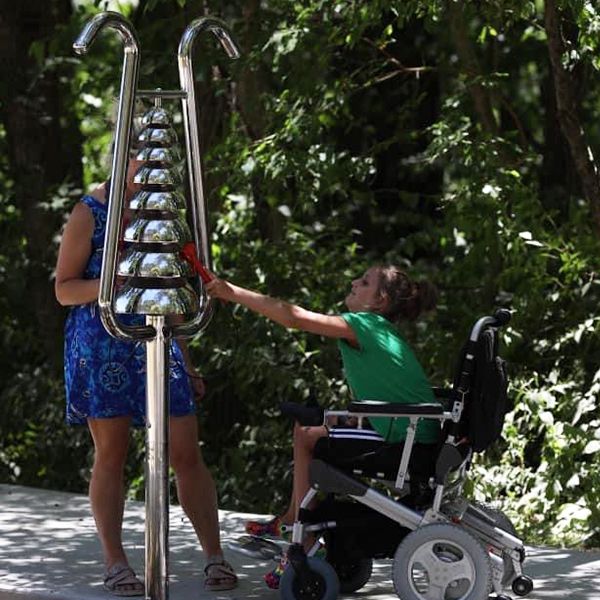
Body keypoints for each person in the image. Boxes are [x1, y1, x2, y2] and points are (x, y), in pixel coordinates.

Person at [54, 147, 237, 595]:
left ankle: (214, 556)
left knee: (185, 452)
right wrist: (111, 283)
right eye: (140, 162)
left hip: (159, 341)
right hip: (102, 345)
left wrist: (187, 361)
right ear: (121, 162)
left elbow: (170, 291)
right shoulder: (90, 211)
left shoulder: (161, 214)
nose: (150, 173)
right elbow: (63, 290)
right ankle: (116, 563)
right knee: (111, 455)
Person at [205, 264, 440, 588]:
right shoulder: (380, 329)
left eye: (365, 282)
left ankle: (307, 539)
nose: (354, 282)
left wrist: (234, 293)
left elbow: (293, 317)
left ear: (379, 300)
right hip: (409, 433)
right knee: (306, 428)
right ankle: (293, 522)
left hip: (403, 440)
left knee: (307, 437)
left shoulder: (366, 324)